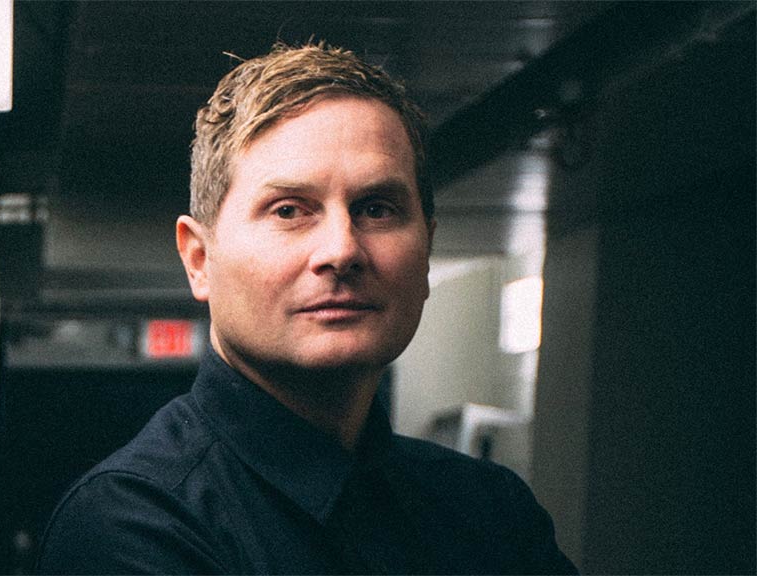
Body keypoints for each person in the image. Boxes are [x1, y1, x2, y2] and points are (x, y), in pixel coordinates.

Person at [37, 42, 576, 575]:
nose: (342, 250)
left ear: (427, 251)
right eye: (289, 210)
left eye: (377, 209)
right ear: (200, 260)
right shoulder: (133, 527)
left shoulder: (490, 510)